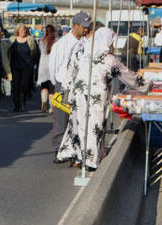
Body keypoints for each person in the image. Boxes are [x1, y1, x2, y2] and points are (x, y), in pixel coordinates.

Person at [56, 28, 151, 169]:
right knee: (95, 125)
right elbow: (128, 76)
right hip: (96, 97)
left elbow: (70, 72)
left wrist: (68, 90)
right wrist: (148, 85)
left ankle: (76, 155)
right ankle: (90, 161)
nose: (112, 45)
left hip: (79, 95)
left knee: (78, 124)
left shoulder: (83, 53)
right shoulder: (109, 59)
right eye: (112, 42)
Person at [48, 11, 91, 161]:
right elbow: (53, 66)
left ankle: (75, 148)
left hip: (79, 84)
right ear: (76, 25)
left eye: (88, 27)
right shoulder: (62, 44)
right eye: (84, 27)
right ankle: (59, 149)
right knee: (62, 118)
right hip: (64, 83)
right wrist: (58, 84)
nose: (86, 29)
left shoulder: (86, 43)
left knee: (78, 117)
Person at [9, 24, 38, 112]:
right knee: (15, 86)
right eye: (21, 30)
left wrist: (31, 63)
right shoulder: (12, 40)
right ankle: (16, 104)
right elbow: (8, 52)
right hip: (14, 66)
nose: (23, 32)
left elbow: (34, 51)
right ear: (17, 31)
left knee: (24, 86)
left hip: (27, 66)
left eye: (24, 30)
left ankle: (22, 104)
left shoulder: (30, 39)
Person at [37, 25, 56, 113]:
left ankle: (43, 102)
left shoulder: (41, 42)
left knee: (44, 86)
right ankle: (51, 107)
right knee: (52, 88)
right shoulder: (56, 42)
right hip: (52, 66)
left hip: (43, 65)